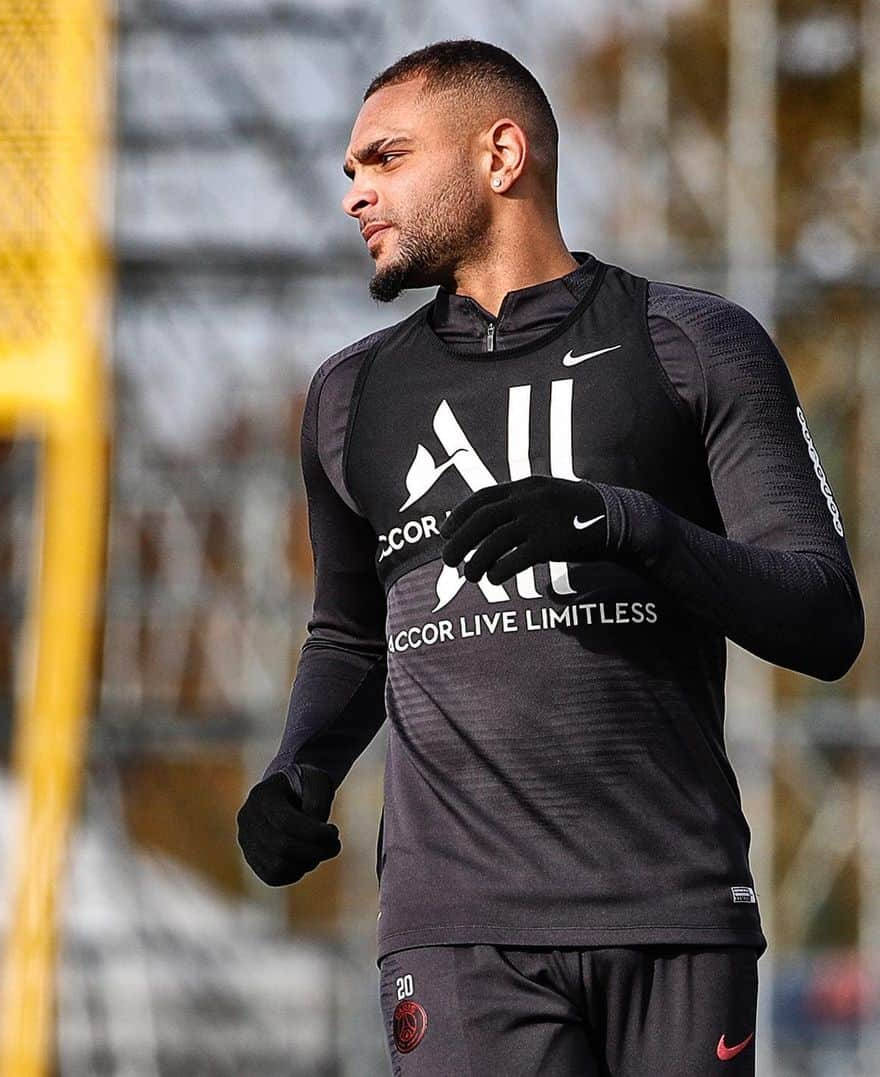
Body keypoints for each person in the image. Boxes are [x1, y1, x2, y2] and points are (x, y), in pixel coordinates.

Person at [236, 38, 864, 1076]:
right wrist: (296, 771)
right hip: (455, 930)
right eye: (351, 171)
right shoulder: (349, 398)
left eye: (385, 159)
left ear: (501, 154)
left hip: (677, 909)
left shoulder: (695, 344)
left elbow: (824, 615)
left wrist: (635, 527)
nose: (355, 193)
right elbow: (351, 633)